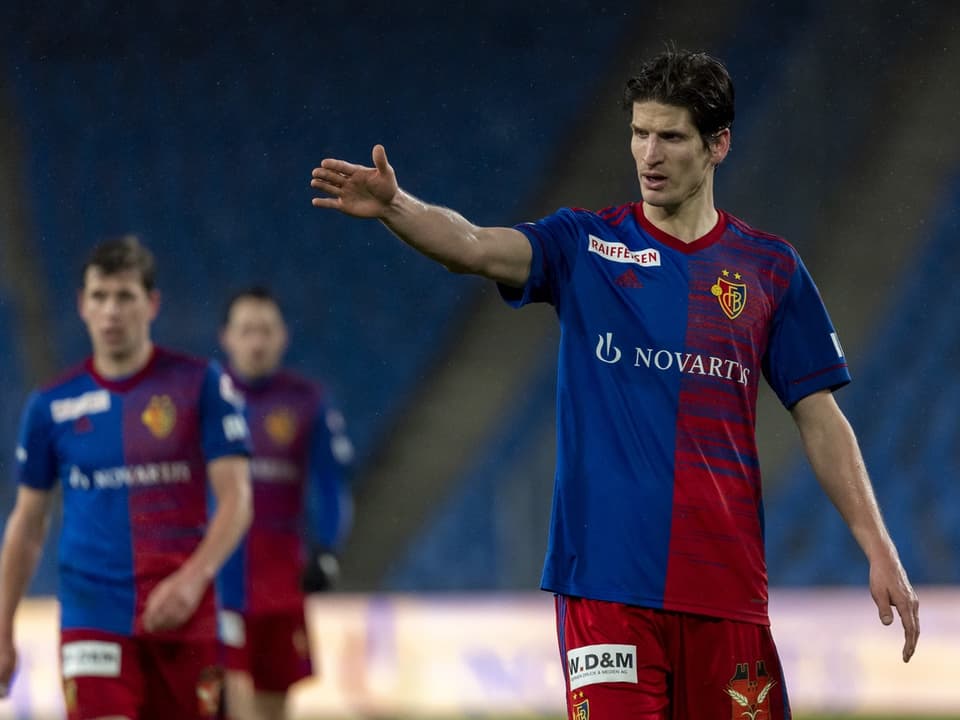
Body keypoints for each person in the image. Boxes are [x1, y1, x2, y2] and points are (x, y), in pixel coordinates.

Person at [309, 48, 919, 719]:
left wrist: (877, 544)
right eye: (639, 133)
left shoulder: (769, 270)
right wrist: (398, 206)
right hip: (605, 583)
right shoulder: (585, 245)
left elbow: (820, 415)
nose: (649, 154)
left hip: (725, 587)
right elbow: (474, 246)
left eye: (671, 137)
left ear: (719, 145)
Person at [0, 236, 252, 720]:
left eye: (124, 297)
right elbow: (28, 524)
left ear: (151, 304)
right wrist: (3, 624)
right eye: (99, 297)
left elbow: (237, 498)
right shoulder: (51, 404)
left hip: (184, 613)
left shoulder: (200, 383)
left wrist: (193, 578)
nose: (111, 311)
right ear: (82, 306)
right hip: (92, 613)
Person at [216, 287, 353, 720]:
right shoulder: (204, 399)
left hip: (281, 583)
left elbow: (331, 484)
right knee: (234, 702)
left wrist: (327, 547)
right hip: (221, 580)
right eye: (246, 331)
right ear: (227, 338)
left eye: (265, 330)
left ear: (282, 337)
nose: (256, 341)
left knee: (274, 709)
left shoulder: (307, 401)